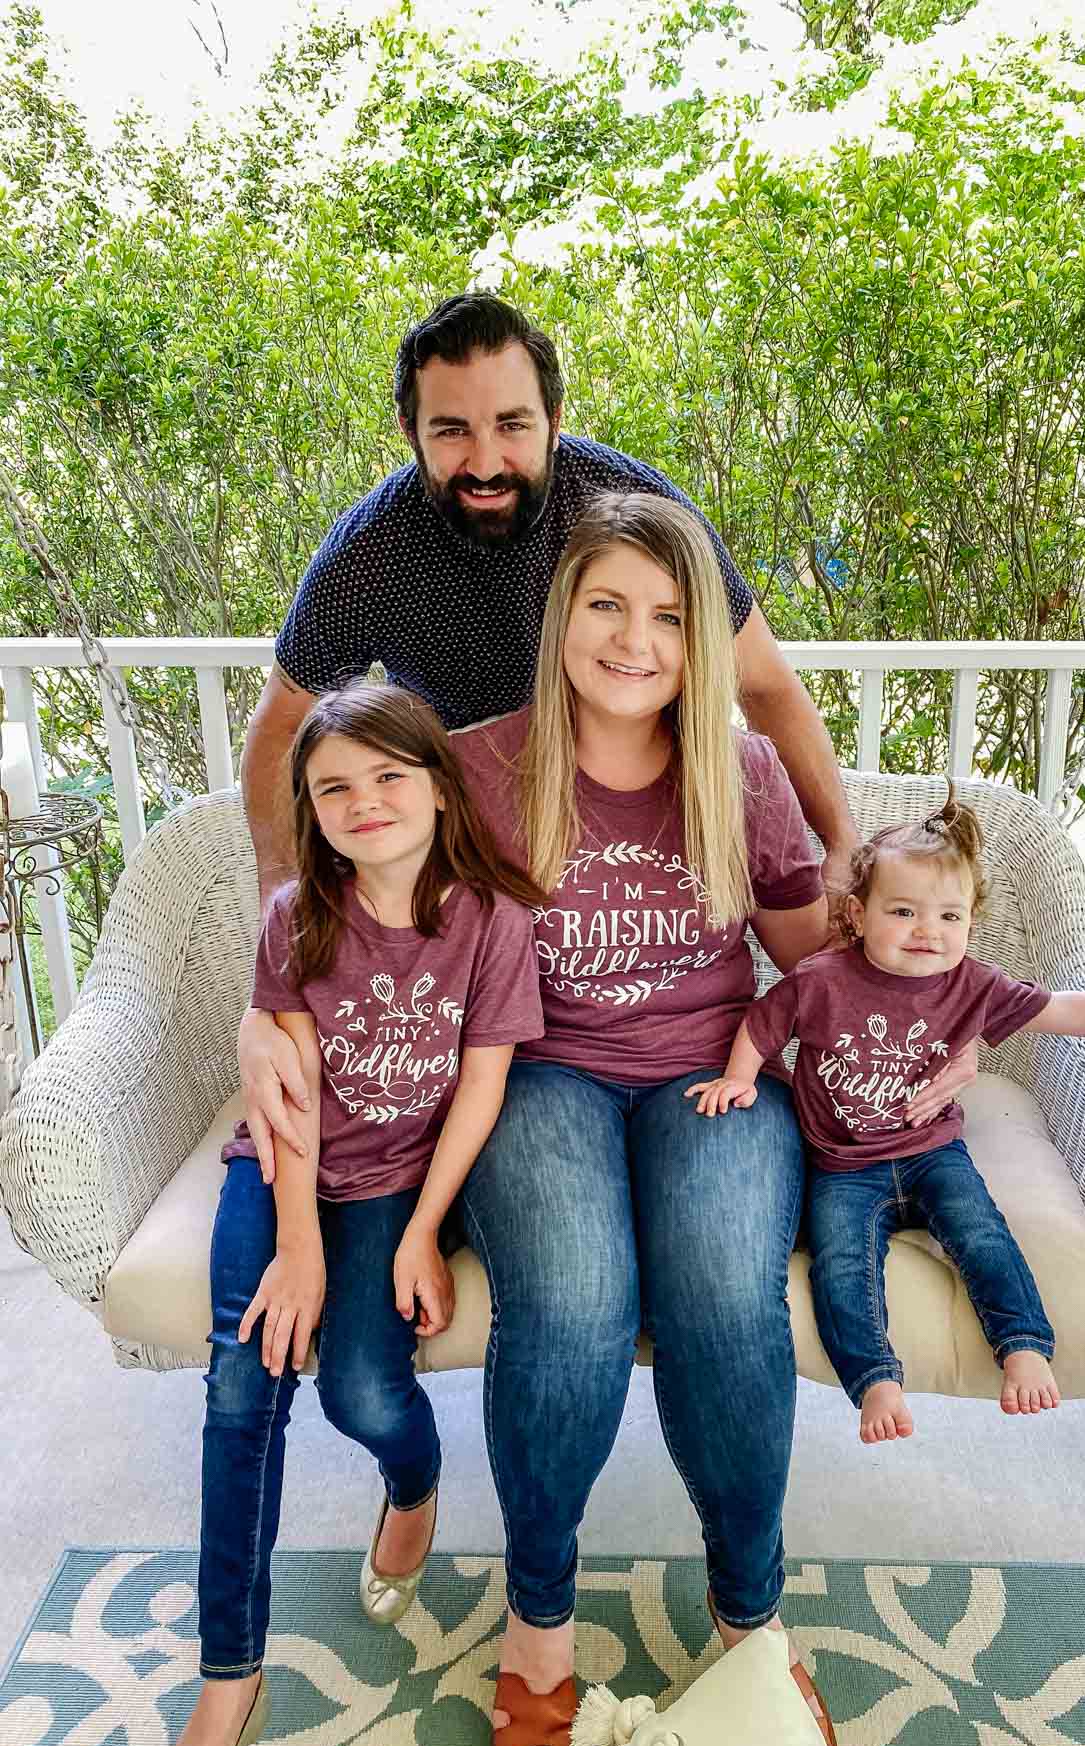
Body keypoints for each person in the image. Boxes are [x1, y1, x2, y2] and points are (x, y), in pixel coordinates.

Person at [239, 289, 977, 1169]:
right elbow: (282, 733)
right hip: (494, 830)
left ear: (555, 417)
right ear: (410, 431)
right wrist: (280, 952)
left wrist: (845, 848)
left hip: (647, 859)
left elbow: (769, 691)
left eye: (512, 424)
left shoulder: (629, 504)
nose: (485, 459)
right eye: (451, 432)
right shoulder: (371, 552)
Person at [445, 491, 835, 1746]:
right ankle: (540, 1630)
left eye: (670, 617)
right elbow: (396, 944)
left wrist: (931, 997)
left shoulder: (744, 772)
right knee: (569, 1302)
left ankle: (750, 1628)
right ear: (562, 614)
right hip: (538, 1068)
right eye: (607, 602)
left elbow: (804, 958)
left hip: (709, 1074)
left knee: (725, 1294)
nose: (634, 638)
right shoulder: (483, 769)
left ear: (700, 646)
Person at [155, 686, 544, 1746]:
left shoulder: (491, 921)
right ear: (311, 809)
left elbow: (482, 1087)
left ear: (437, 785)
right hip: (281, 1168)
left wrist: (423, 1229)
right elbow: (292, 1087)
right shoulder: (298, 916)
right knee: (244, 1391)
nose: (363, 802)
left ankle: (413, 1488)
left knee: (365, 1398)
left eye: (388, 777)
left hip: (397, 1187)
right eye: (334, 788)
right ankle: (229, 1675)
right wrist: (297, 1243)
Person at [687, 786, 1085, 1447]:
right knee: (841, 1263)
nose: (928, 931)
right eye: (903, 911)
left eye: (950, 917)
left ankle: (1020, 1344)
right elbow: (763, 1022)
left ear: (969, 925)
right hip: (843, 1167)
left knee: (982, 1235)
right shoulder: (822, 980)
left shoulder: (972, 986)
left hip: (934, 1154)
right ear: (857, 915)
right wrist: (738, 1077)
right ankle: (874, 1379)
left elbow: (1060, 1010)